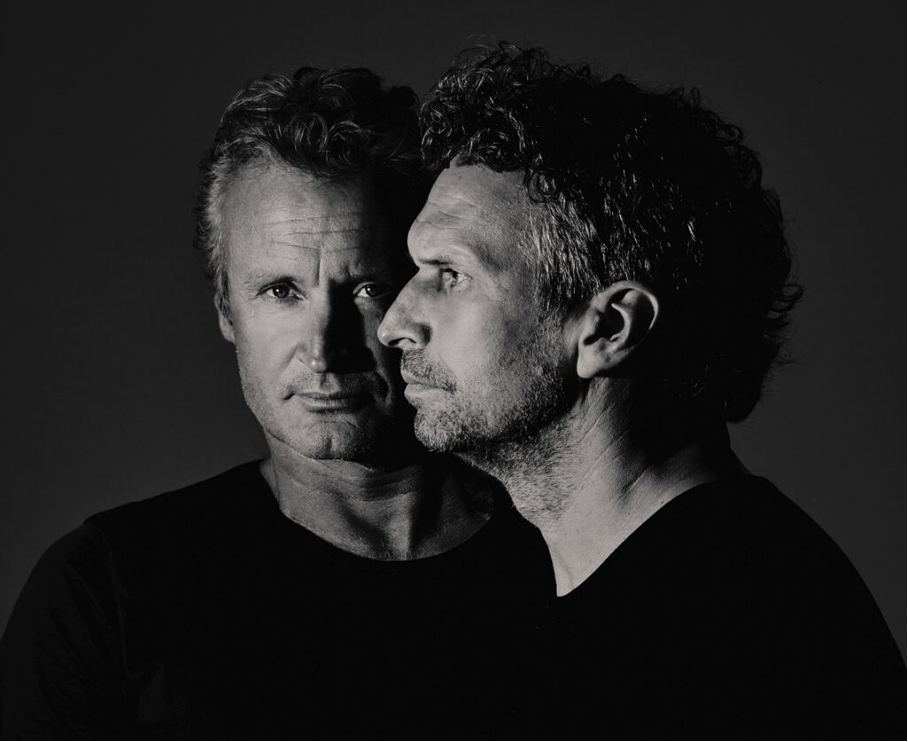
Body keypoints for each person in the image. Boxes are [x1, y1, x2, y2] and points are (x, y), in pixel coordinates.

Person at [0, 66, 552, 740]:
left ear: (427, 293)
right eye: (280, 291)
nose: (324, 350)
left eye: (367, 288)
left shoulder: (563, 555)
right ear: (225, 308)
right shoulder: (108, 587)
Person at [378, 44, 907, 740]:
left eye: (451, 275)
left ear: (610, 328)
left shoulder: (740, 638)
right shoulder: (622, 606)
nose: (393, 324)